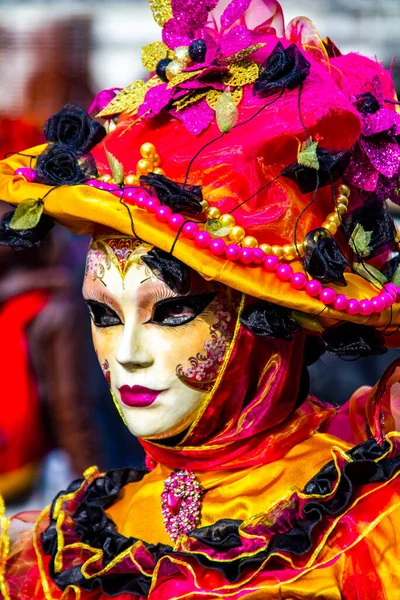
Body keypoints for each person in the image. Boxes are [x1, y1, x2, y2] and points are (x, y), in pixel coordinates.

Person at [1, 0, 400, 597]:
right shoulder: (64, 552)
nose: (128, 354)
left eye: (171, 311)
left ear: (259, 316)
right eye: (104, 314)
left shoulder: (369, 514)